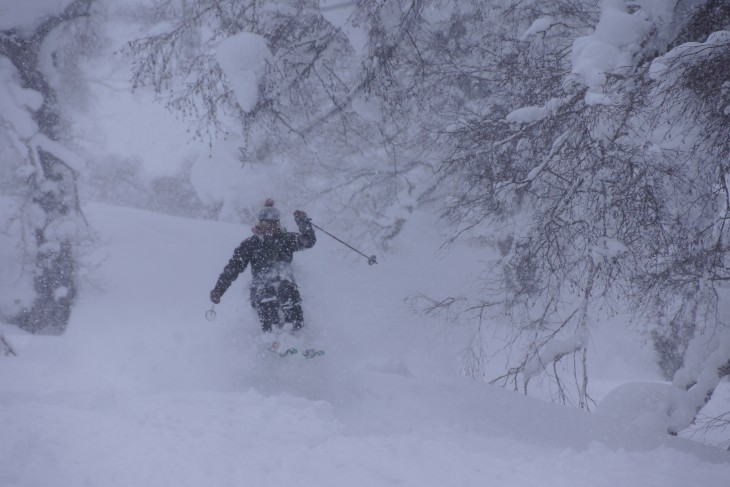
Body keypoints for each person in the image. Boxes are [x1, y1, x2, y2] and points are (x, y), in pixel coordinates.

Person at [209, 199, 316, 332]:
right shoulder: (250, 245)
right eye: (266, 223)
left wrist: (303, 222)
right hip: (262, 289)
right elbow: (233, 268)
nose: (270, 227)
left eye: (274, 224)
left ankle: (297, 334)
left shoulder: (287, 239)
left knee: (286, 289)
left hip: (285, 285)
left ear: (278, 224)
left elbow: (308, 241)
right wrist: (219, 290)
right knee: (265, 292)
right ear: (260, 223)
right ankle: (272, 336)